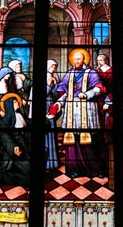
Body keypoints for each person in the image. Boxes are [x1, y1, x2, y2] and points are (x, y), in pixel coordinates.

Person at [48, 49, 106, 178]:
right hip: (72, 110)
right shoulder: (70, 73)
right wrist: (59, 103)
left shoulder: (92, 72)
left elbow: (99, 88)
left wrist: (87, 94)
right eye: (75, 59)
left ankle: (95, 169)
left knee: (91, 140)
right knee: (72, 140)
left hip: (87, 107)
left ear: (84, 59)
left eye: (79, 58)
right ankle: (73, 169)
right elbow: (63, 89)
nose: (76, 61)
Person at [45, 59, 60, 169]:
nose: (53, 69)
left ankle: (52, 161)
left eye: (55, 67)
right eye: (52, 66)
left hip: (51, 104)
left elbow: (56, 94)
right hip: (44, 104)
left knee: (51, 129)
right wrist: (49, 86)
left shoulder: (55, 77)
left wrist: (54, 85)